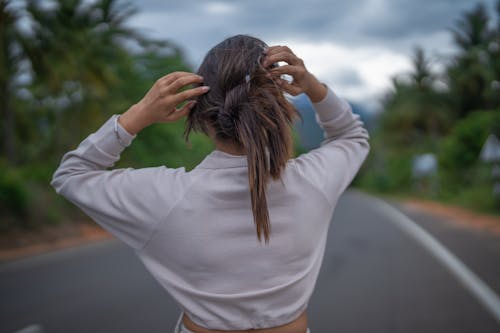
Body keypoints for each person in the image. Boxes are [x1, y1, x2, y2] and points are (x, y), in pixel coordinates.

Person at [50, 34, 370, 333]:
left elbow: (72, 174)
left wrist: (139, 114)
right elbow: (351, 135)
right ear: (279, 107)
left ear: (201, 115)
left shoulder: (166, 196)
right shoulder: (312, 182)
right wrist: (314, 87)